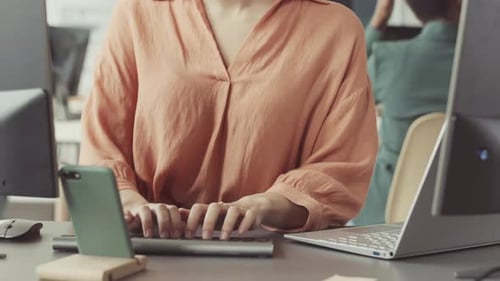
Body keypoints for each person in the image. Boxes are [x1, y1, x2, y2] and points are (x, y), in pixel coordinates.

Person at [79, 0, 378, 240]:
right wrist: (132, 206)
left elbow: (340, 168)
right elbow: (101, 148)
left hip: (275, 255)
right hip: (149, 248)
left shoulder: (336, 28)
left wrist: (261, 206)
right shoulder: (138, 12)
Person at [351, 0, 460, 225]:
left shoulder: (390, 59)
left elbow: (343, 83)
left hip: (384, 215)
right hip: (461, 214)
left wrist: (379, 18)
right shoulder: (487, 63)